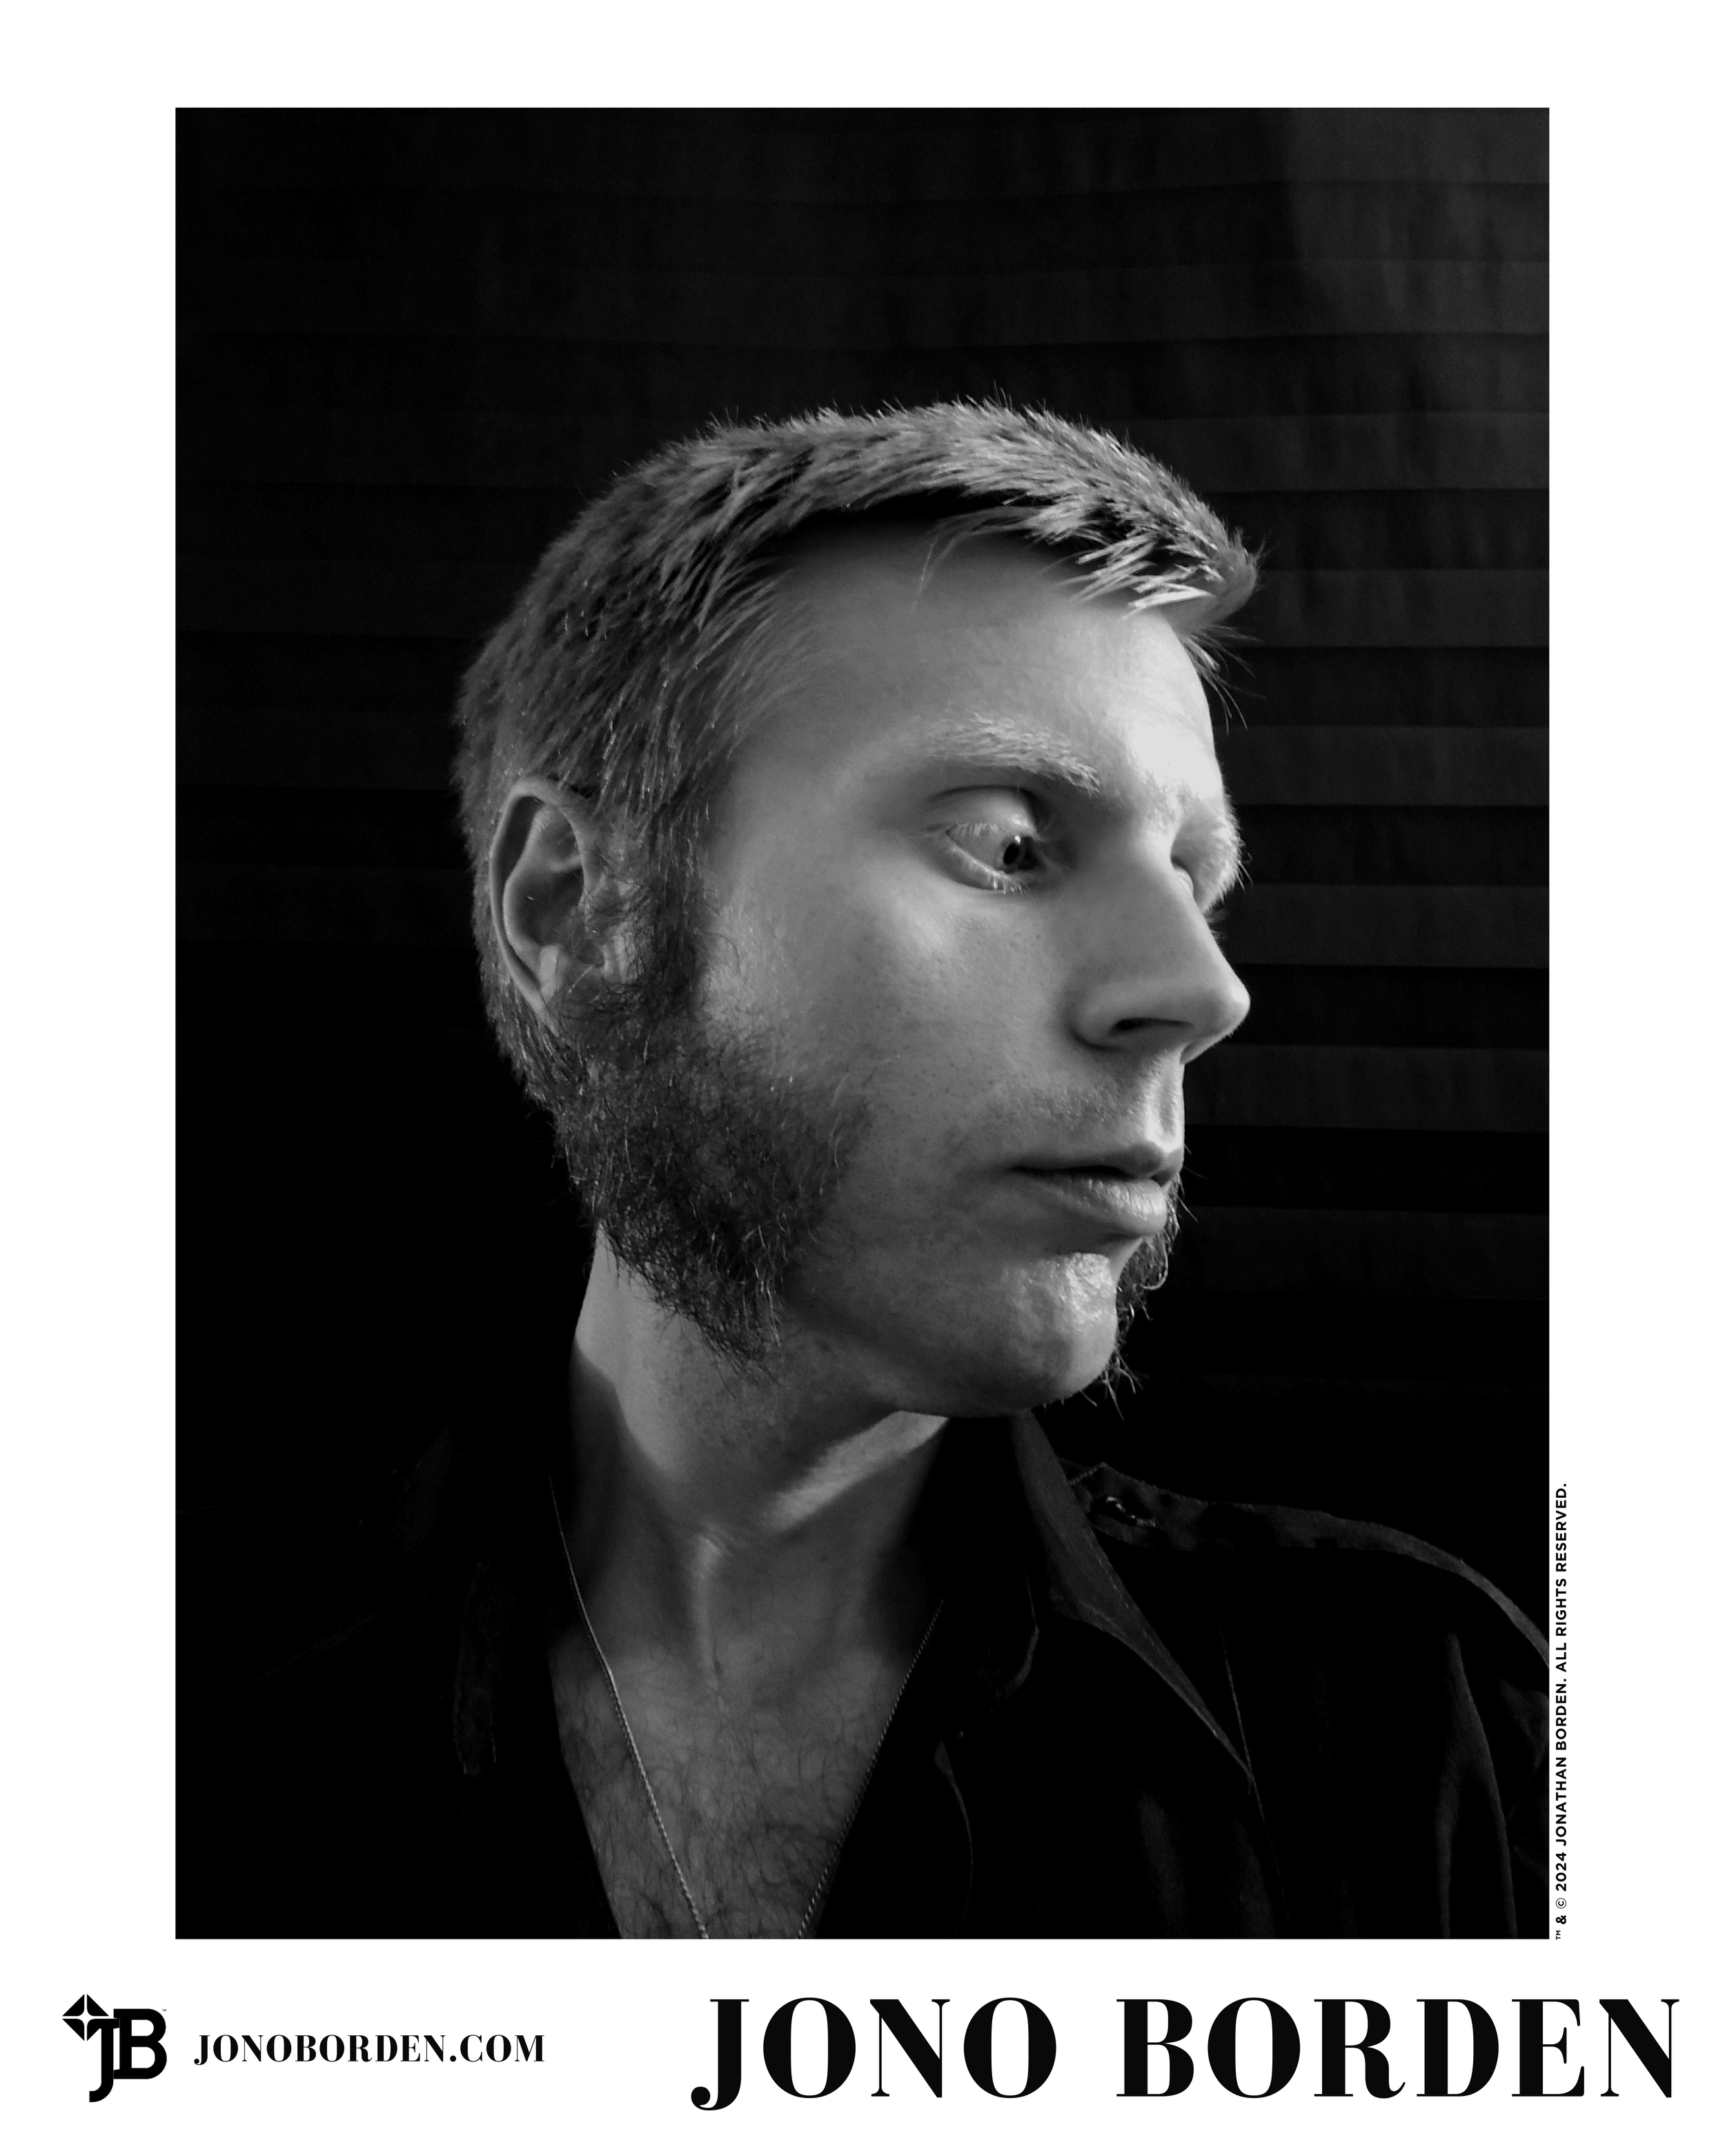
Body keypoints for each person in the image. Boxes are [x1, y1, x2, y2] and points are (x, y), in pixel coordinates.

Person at [200, 403, 1544, 1939]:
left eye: (1195, 880)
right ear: (577, 911)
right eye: (1007, 842)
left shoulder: (1426, 1728)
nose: (1200, 989)